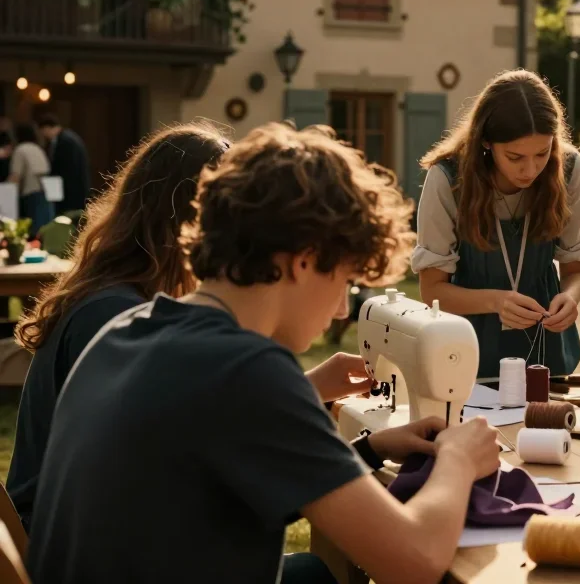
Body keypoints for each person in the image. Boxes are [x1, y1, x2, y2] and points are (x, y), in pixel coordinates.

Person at [27, 123, 502, 584]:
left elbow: (219, 487)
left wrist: (372, 449)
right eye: (344, 280)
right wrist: (458, 459)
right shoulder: (247, 370)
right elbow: (414, 562)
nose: (342, 309)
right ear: (303, 261)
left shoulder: (125, 332)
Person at [7, 123, 386, 534]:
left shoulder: (122, 306)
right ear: (193, 220)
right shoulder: (119, 319)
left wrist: (309, 394)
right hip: (62, 538)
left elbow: (187, 433)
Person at [414, 69, 580, 380]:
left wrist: (570, 297)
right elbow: (431, 291)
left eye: (542, 153)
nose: (530, 170)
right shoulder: (447, 178)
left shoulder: (568, 168)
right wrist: (496, 301)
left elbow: (575, 273)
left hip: (546, 354)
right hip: (468, 355)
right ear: (486, 142)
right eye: (514, 157)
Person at [36, 110, 91, 215]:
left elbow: (67, 168)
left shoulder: (66, 141)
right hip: (71, 191)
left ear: (46, 128)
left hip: (72, 192)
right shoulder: (65, 138)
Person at [8, 122, 53, 232]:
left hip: (30, 195)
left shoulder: (20, 149)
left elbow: (15, 177)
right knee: (43, 231)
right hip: (46, 194)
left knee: (31, 232)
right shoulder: (38, 149)